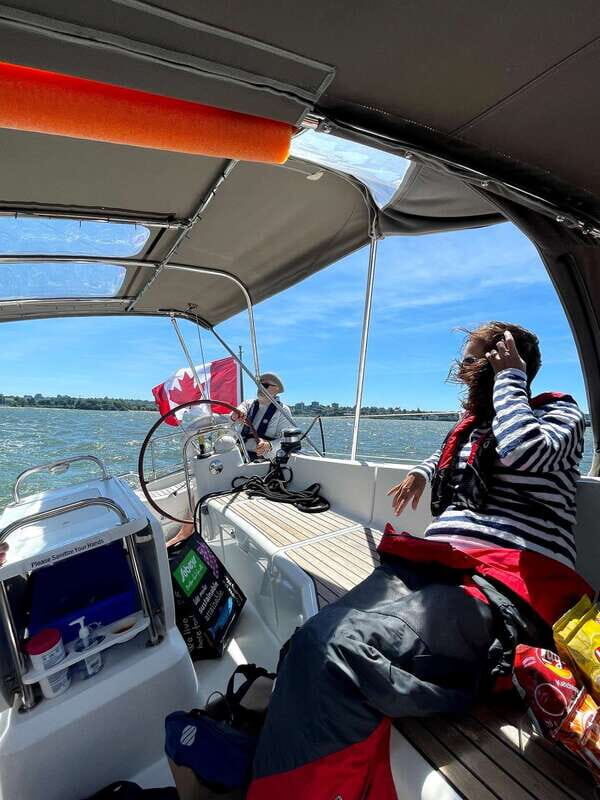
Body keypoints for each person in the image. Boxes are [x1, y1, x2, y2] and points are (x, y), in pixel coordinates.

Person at [246, 322, 593, 800]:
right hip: (431, 566)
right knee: (306, 640)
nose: (465, 369)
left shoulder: (557, 413)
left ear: (509, 362)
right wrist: (416, 473)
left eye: (477, 360)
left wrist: (511, 379)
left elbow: (524, 452)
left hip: (500, 588)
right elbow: (449, 452)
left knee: (333, 653)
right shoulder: (476, 425)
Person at [231, 373, 294, 461]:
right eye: (259, 385)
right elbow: (233, 418)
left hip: (263, 460)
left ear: (276, 389)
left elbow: (286, 439)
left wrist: (269, 445)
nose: (260, 387)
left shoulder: (283, 410)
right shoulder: (248, 404)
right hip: (239, 454)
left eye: (265, 385)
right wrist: (234, 416)